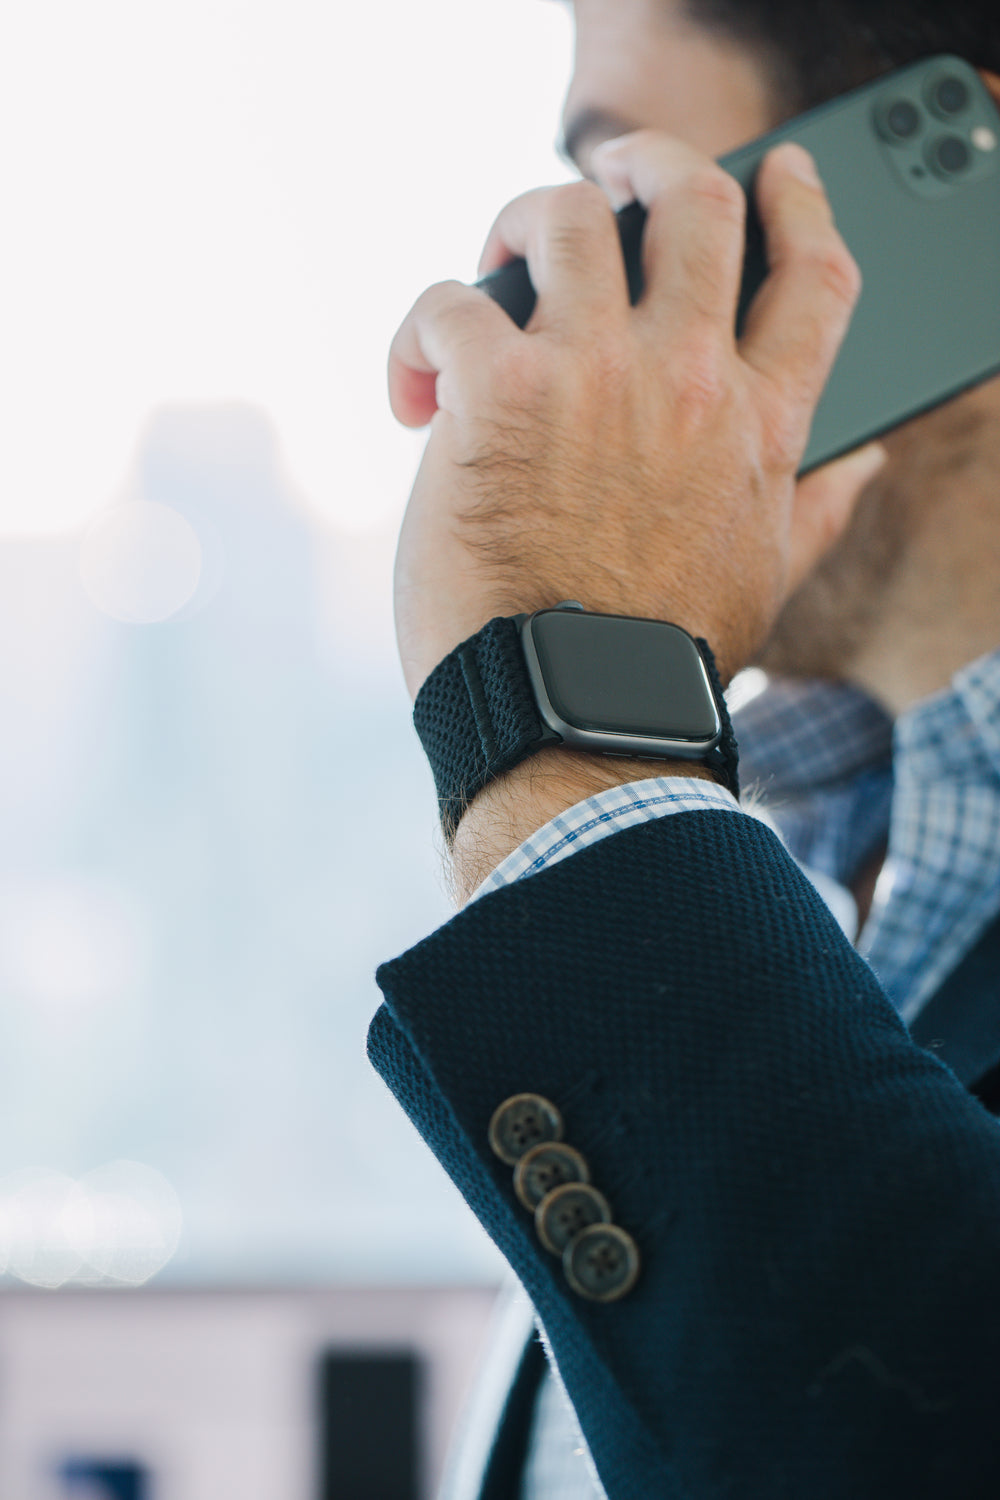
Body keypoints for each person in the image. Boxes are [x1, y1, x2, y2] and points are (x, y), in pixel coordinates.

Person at [370, 1, 1000, 1494]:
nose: (529, 296)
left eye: (627, 196)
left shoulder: (656, 831)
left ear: (959, 192)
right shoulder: (801, 872)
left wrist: (556, 701)